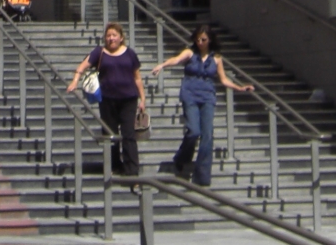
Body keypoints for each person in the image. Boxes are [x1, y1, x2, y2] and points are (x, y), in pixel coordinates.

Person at [152, 25, 253, 186]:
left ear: (210, 40)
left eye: (203, 39)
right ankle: (182, 157)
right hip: (190, 93)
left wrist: (239, 88)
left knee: (207, 135)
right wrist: (162, 65)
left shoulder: (217, 58)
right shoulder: (190, 52)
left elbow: (224, 79)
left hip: (207, 96)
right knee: (193, 131)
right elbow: (177, 59)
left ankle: (202, 176)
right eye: (197, 39)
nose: (200, 42)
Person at [67, 20, 147, 176]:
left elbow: (137, 78)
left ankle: (131, 169)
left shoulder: (130, 54)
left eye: (114, 35)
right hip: (107, 99)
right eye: (108, 35)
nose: (111, 38)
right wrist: (75, 81)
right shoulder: (100, 52)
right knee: (109, 133)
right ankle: (114, 164)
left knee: (128, 133)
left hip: (128, 99)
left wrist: (142, 99)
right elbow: (82, 67)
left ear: (121, 38)